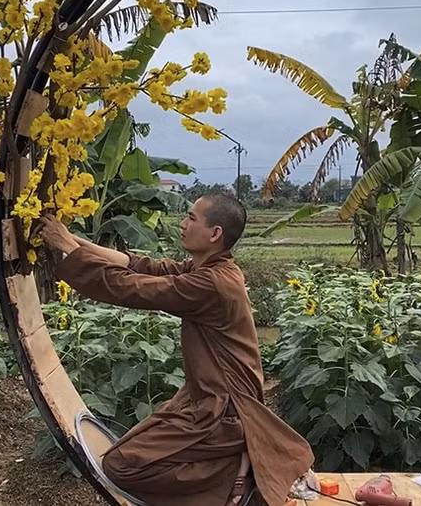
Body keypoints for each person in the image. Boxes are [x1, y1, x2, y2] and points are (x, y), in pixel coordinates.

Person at [35, 193, 314, 506]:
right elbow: (141, 266)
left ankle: (230, 476)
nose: (182, 224)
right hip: (204, 398)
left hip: (222, 410)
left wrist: (68, 249)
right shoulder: (210, 269)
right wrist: (70, 239)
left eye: (192, 218)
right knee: (124, 455)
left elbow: (131, 287)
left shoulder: (212, 284)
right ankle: (236, 461)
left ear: (215, 234)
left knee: (119, 466)